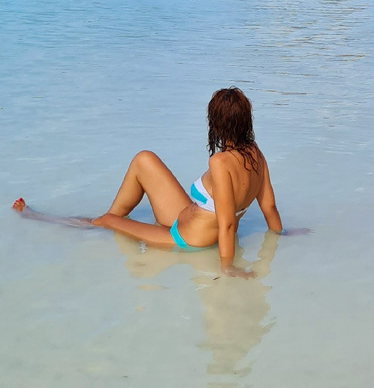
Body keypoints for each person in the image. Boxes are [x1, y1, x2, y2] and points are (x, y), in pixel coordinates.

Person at [13, 87, 284, 278]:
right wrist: (281, 235)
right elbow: (269, 207)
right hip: (185, 219)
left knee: (104, 221)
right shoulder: (256, 155)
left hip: (187, 238)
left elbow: (226, 223)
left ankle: (37, 217)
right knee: (145, 159)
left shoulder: (221, 163)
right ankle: (118, 219)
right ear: (245, 120)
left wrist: (227, 267)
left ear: (216, 124)